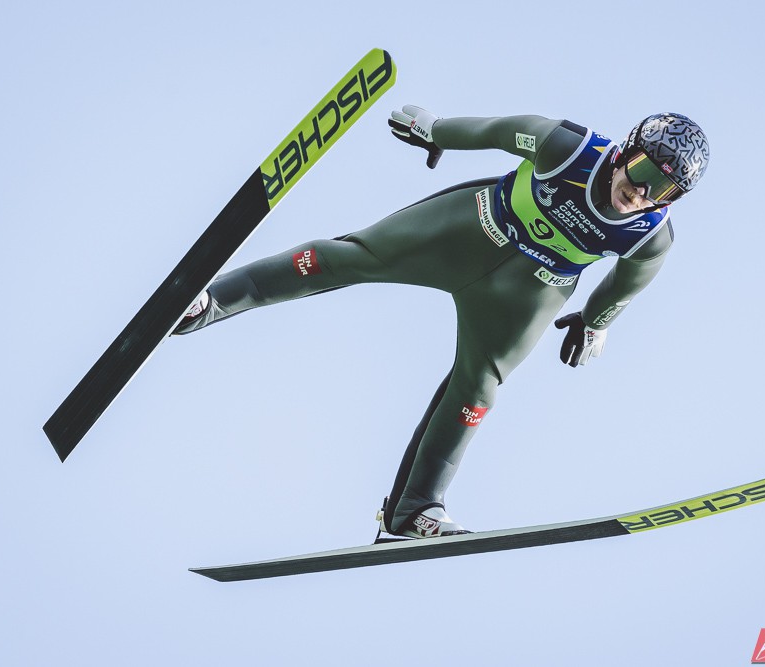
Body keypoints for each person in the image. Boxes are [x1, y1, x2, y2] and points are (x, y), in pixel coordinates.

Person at [174, 105, 710, 540]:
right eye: (643, 174)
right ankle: (208, 302)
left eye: (662, 191)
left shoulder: (651, 236)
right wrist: (437, 131)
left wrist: (595, 323)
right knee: (349, 258)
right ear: (624, 152)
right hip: (471, 229)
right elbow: (498, 131)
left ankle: (414, 511)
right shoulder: (567, 148)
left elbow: (624, 286)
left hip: (529, 289)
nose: (641, 194)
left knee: (479, 389)